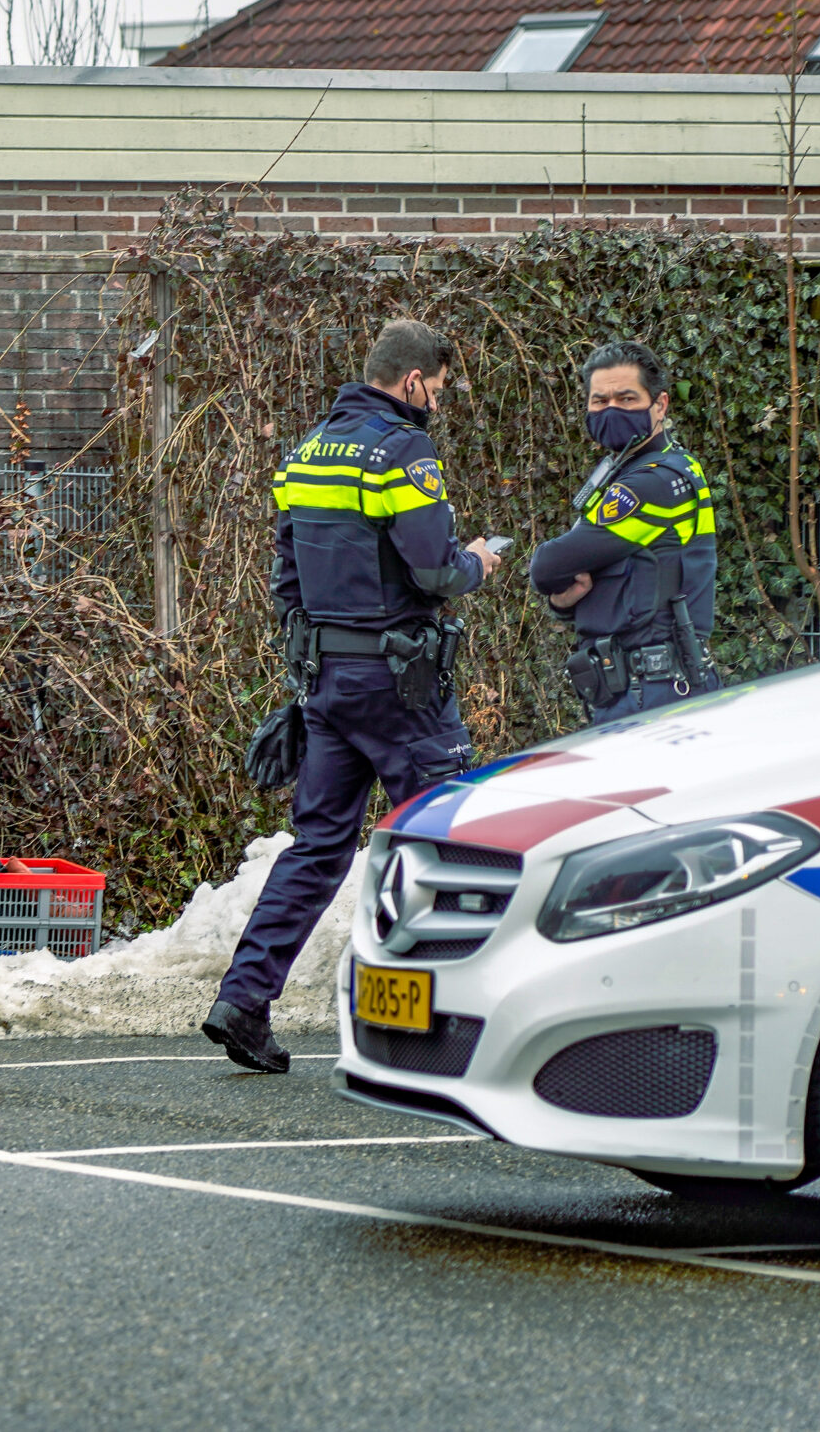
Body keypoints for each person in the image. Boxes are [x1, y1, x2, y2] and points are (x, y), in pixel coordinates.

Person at [206, 318, 502, 1075]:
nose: (436, 401)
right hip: (402, 687)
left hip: (327, 684)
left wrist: (312, 662)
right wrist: (477, 562)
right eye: (436, 389)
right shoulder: (404, 449)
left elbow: (286, 579)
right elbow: (434, 571)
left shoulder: (307, 451)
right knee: (444, 845)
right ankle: (435, 1024)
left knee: (317, 847)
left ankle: (243, 999)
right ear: (412, 382)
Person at [528, 340, 720, 723]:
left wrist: (559, 584)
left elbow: (547, 566)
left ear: (660, 404)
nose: (612, 409)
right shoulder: (643, 468)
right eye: (600, 401)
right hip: (634, 685)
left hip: (651, 691)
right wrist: (564, 602)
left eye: (627, 398)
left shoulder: (653, 483)